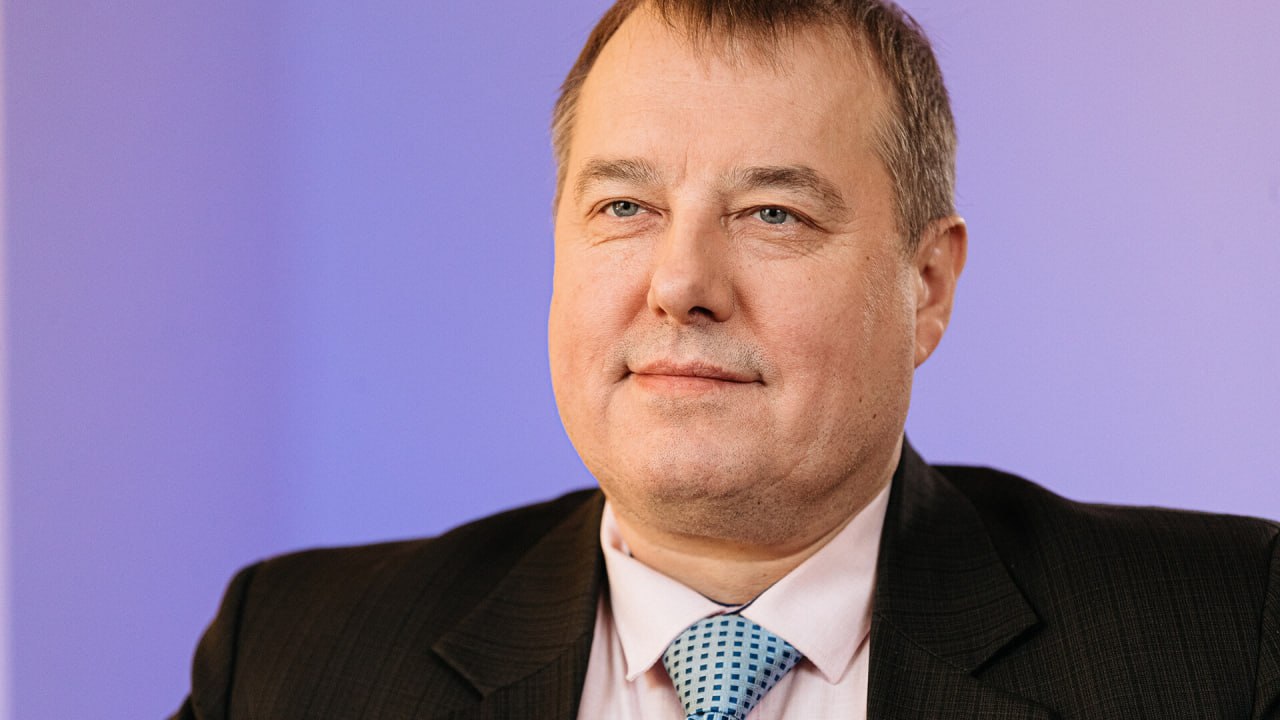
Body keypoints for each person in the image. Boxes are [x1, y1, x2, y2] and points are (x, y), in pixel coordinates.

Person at [172, 1, 1279, 718]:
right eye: (624, 206)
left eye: (772, 214)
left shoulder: (1229, 640)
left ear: (926, 286)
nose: (680, 283)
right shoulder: (290, 659)